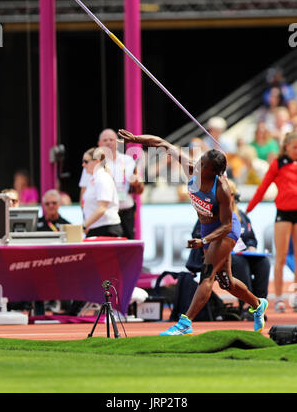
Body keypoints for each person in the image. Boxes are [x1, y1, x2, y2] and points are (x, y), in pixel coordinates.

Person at [118, 128, 268, 334]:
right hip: (208, 228)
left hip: (225, 230)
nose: (197, 163)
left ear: (211, 170)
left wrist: (203, 240)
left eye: (202, 163)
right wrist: (136, 139)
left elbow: (225, 225)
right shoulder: (191, 169)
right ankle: (259, 305)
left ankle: (184, 324)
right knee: (225, 282)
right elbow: (162, 143)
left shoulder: (222, 189)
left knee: (207, 275)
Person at [246, 131, 297, 312]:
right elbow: (264, 186)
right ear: (286, 147)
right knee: (281, 257)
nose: (296, 151)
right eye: (294, 148)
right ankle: (280, 299)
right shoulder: (278, 164)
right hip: (283, 213)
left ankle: (296, 295)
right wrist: (249, 209)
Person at [79, 129, 143, 239]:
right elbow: (83, 196)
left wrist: (136, 183)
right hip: (102, 218)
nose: (108, 142)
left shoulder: (127, 161)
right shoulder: (92, 164)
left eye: (111, 139)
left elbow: (140, 190)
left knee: (127, 248)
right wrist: (86, 220)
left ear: (117, 142)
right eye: (105, 140)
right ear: (99, 144)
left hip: (124, 212)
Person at [228, 179, 271, 318]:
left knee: (263, 262)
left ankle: (259, 303)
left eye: (231, 194)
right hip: (224, 255)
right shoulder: (211, 215)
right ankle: (247, 303)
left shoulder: (242, 216)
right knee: (239, 262)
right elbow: (200, 235)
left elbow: (251, 237)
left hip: (243, 253)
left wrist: (251, 247)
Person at [35, 189, 71, 315]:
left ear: (59, 204)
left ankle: (64, 307)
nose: (51, 206)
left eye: (54, 203)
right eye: (47, 204)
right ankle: (38, 308)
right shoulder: (35, 224)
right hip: (39, 263)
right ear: (43, 205)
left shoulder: (67, 225)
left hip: (61, 264)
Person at [82, 147, 123, 238]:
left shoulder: (102, 178)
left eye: (86, 161)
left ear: (97, 161)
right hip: (97, 228)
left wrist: (84, 226)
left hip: (106, 229)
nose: (83, 165)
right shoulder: (94, 179)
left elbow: (102, 207)